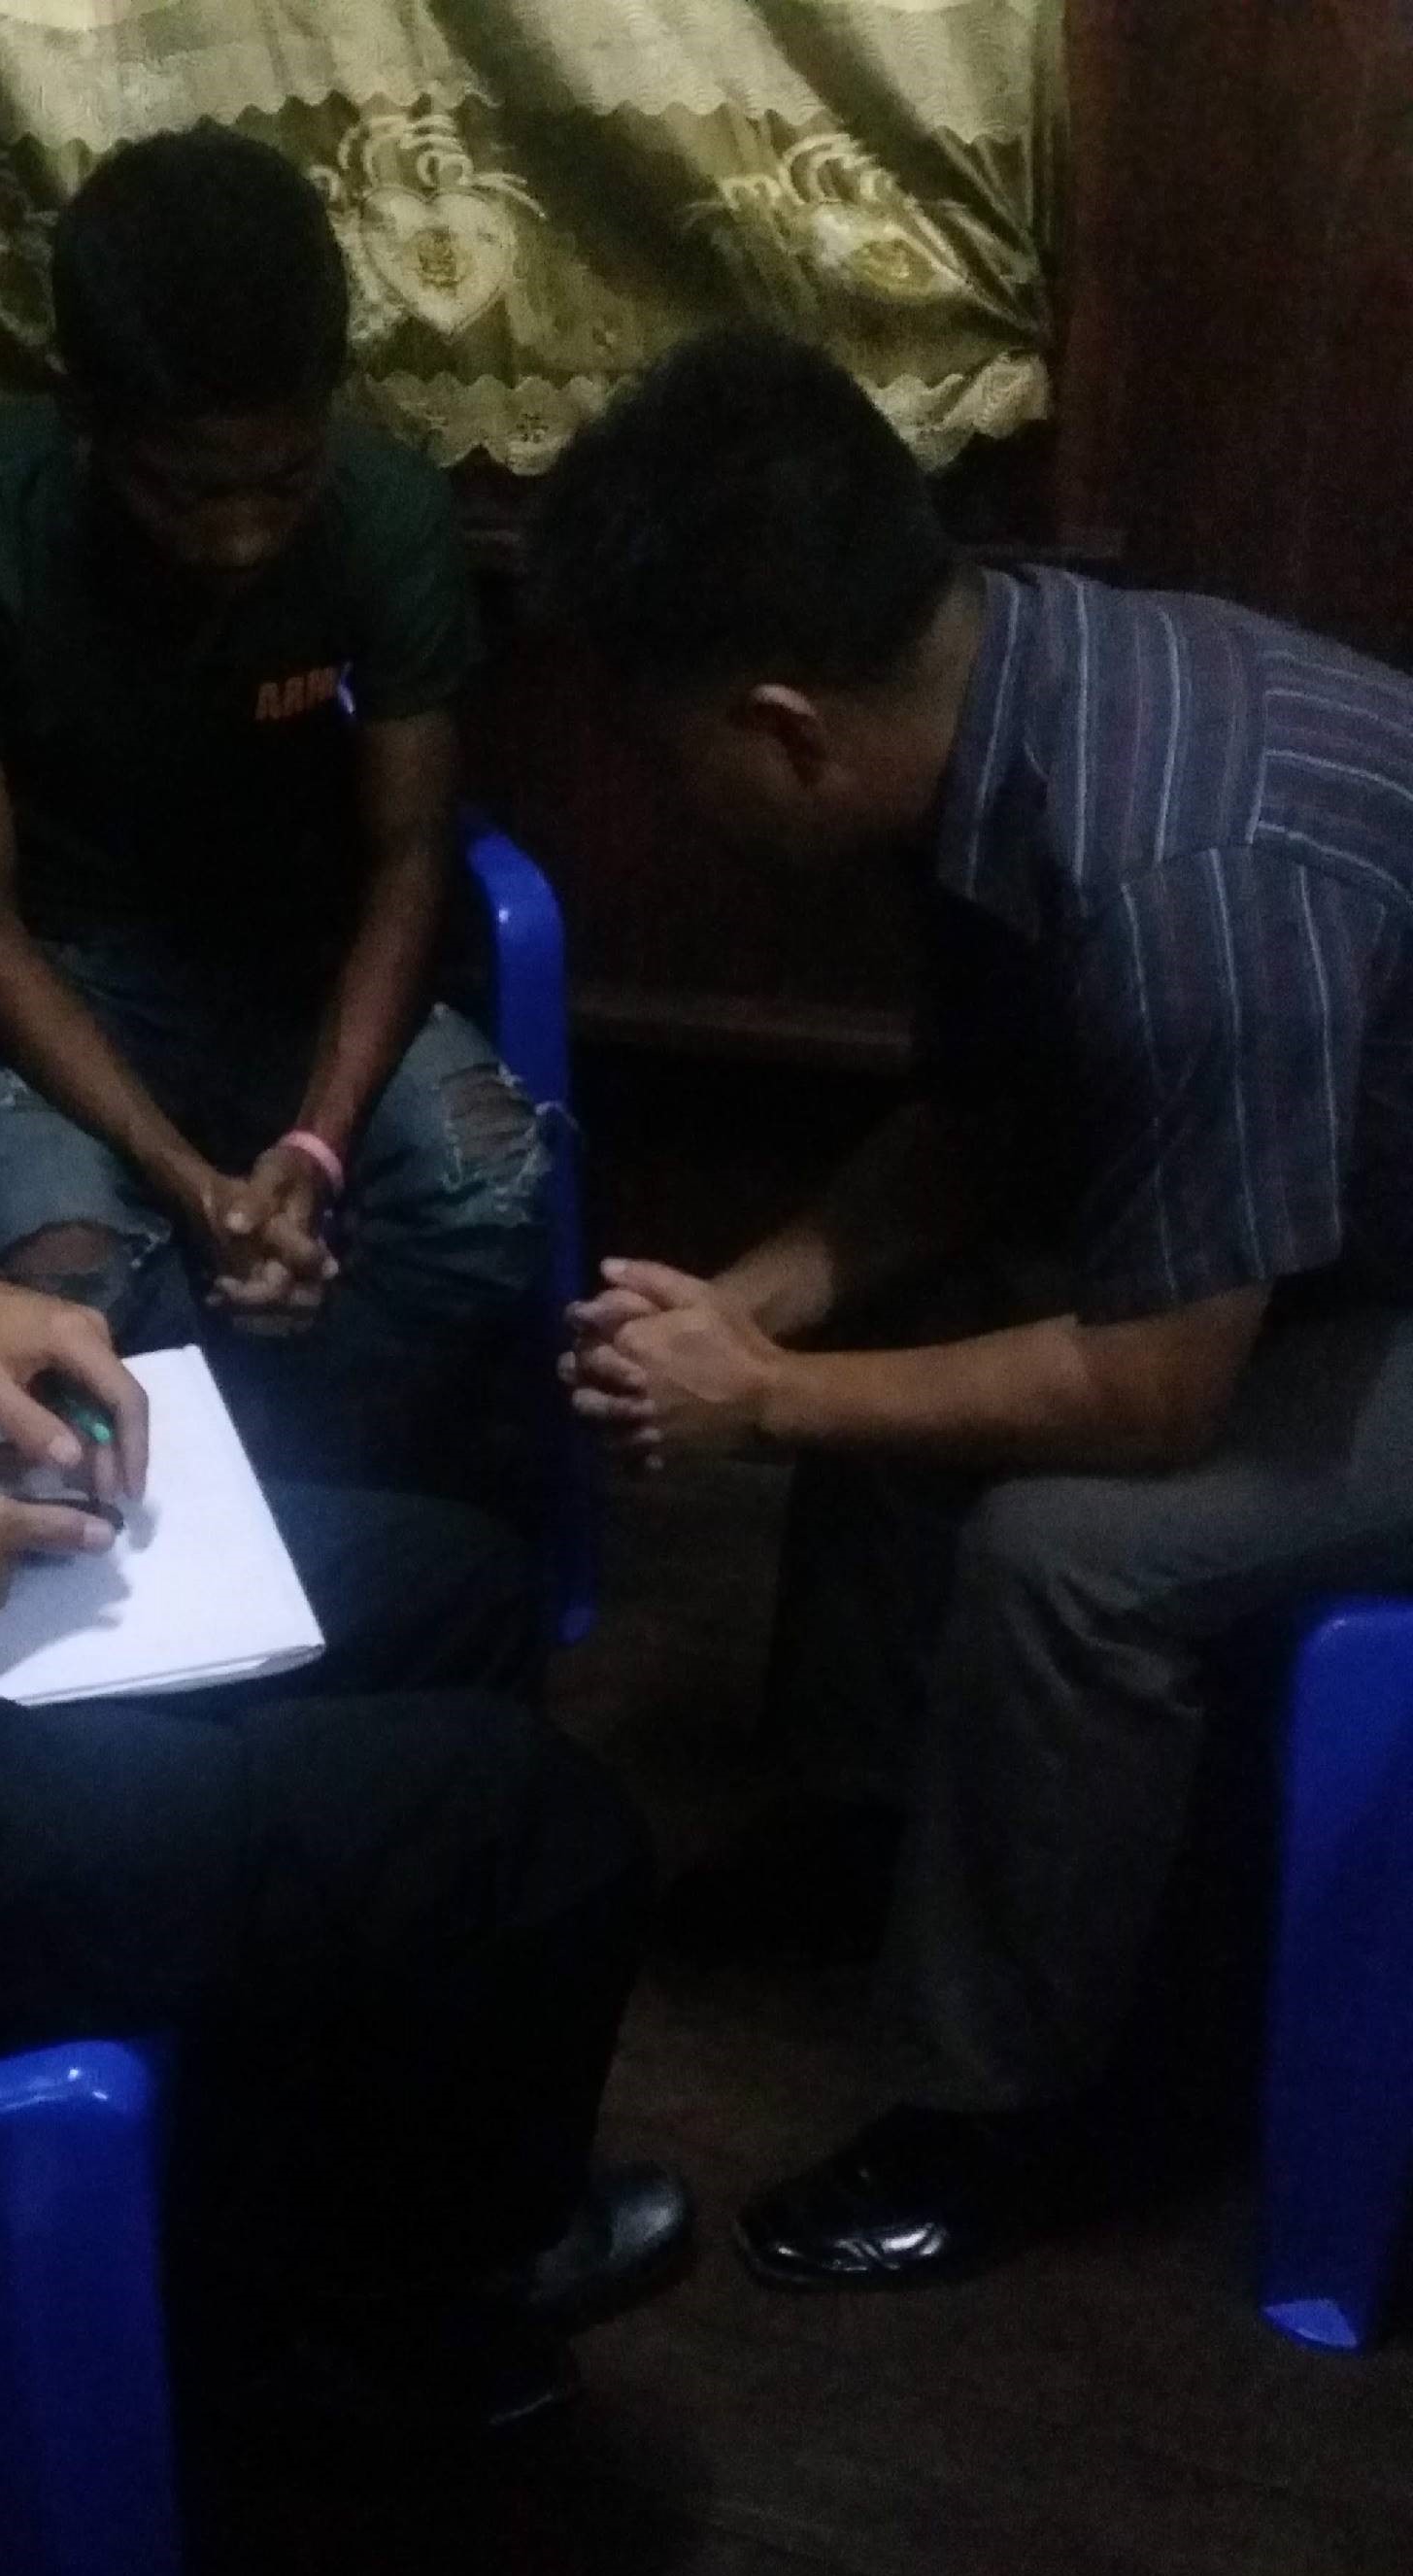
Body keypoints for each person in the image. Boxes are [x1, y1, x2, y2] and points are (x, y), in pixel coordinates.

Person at [0, 230, 689, 2424]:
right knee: (533, 1831)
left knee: (449, 1588)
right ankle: (401, 2307)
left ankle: (293, 2188)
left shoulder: (365, 541)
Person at [531, 326, 1413, 2293]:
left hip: (1374, 1273)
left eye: (671, 761)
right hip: (1336, 1218)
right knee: (888, 1344)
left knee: (1072, 1554)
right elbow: (988, 1126)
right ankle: (876, 1823)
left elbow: (1154, 1397)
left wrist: (763, 1401)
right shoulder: (999, 707)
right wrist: (759, 1309)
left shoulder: (1176, 861)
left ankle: (1019, 2111)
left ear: (782, 730)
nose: (674, 807)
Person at [0, 123, 548, 1486]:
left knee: (490, 1191)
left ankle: (291, 1496)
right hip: (53, 994)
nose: (239, 535)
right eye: (185, 490)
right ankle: (248, 1508)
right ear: (87, 422)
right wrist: (190, 1178)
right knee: (77, 1277)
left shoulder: (385, 516)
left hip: (292, 976)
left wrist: (314, 1149)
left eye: (283, 480)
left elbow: (409, 856)